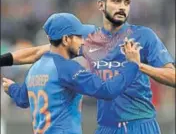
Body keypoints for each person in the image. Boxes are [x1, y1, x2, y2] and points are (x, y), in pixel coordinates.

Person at [1, 0, 175, 134]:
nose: (122, 7)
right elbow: (38, 52)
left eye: (126, 2)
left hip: (140, 123)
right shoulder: (89, 38)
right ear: (100, 5)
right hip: (106, 126)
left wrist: (139, 65)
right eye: (116, 1)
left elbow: (172, 77)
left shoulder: (144, 36)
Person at [2, 13, 141, 134]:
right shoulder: (67, 68)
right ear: (66, 39)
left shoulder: (35, 67)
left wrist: (12, 88)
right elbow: (107, 90)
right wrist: (132, 65)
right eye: (78, 36)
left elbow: (23, 99)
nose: (82, 41)